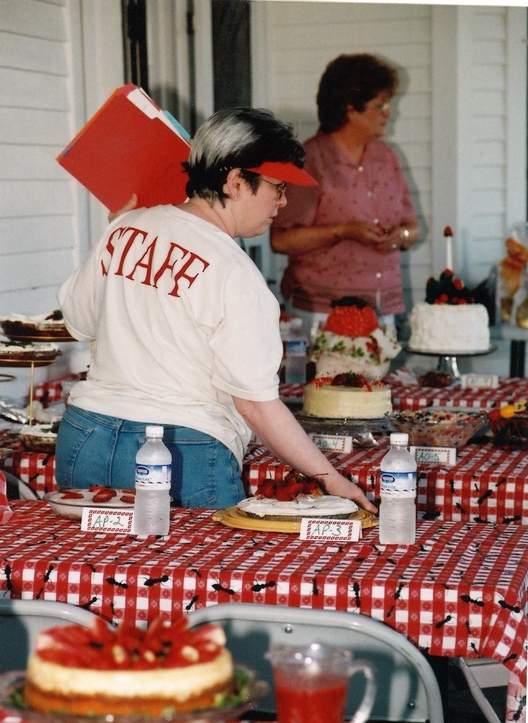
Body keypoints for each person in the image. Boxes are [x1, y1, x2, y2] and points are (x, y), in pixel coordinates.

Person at [56, 107, 376, 513]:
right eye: (277, 188)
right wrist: (331, 480)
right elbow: (255, 404)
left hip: (86, 435)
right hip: (182, 449)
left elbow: (78, 322)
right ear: (236, 181)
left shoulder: (124, 227)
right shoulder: (236, 272)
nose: (282, 201)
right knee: (204, 577)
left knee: (89, 574)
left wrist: (120, 235)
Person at [270, 53, 421, 340]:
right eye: (380, 106)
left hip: (380, 310)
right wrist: (344, 231)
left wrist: (400, 235)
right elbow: (281, 239)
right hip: (323, 313)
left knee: (378, 384)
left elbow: (412, 226)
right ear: (350, 109)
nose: (388, 113)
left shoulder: (387, 157)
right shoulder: (311, 160)